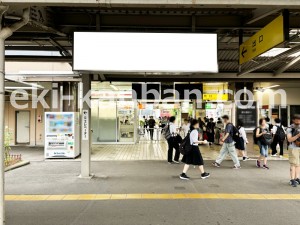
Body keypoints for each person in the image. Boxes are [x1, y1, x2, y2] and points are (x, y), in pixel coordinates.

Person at [286, 114, 300, 187]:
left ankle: (297, 178)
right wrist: (298, 135)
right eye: (297, 120)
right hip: (293, 148)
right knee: (293, 164)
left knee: (298, 164)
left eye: (299, 120)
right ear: (293, 120)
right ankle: (292, 180)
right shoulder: (290, 128)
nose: (298, 121)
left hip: (299, 148)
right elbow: (289, 139)